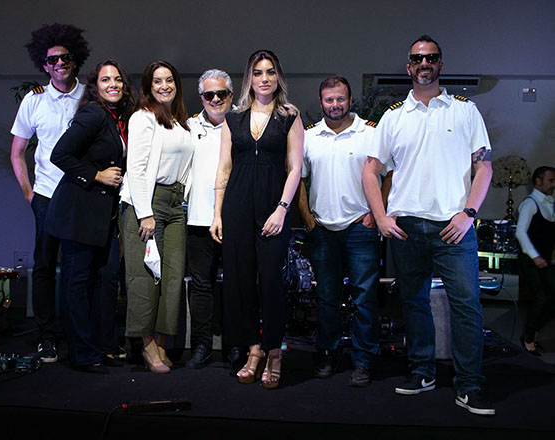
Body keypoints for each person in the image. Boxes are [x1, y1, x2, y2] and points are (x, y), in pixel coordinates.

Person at [363, 35, 494, 415]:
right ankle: (422, 372)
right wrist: (381, 216)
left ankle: (469, 384)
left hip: (454, 225)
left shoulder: (465, 111)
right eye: (418, 58)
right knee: (413, 302)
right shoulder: (393, 116)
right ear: (409, 66)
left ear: (440, 65)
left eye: (432, 58)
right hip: (406, 226)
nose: (425, 63)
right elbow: (371, 170)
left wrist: (469, 213)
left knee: (467, 306)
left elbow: (484, 166)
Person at [211, 50, 304, 389]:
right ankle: (253, 349)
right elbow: (224, 168)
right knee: (239, 282)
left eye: (270, 72)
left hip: (272, 208)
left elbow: (295, 168)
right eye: (258, 72)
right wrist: (217, 213)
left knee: (271, 283)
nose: (264, 78)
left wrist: (282, 208)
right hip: (236, 207)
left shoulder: (289, 116)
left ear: (278, 77)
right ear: (249, 78)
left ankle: (274, 351)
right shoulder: (233, 118)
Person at [43, 60, 137, 373]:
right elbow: (60, 154)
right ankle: (82, 353)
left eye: (118, 79)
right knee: (77, 282)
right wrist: (96, 175)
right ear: (95, 86)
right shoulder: (94, 114)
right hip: (78, 211)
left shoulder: (117, 117)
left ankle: (104, 345)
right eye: (105, 79)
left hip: (102, 215)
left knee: (107, 278)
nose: (113, 84)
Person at [298, 76, 392, 386]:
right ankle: (328, 353)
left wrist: (377, 214)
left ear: (350, 100)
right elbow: (297, 179)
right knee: (326, 297)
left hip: (360, 229)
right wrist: (308, 219)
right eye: (329, 100)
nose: (335, 105)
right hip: (323, 229)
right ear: (321, 102)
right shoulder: (309, 137)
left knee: (365, 297)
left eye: (340, 99)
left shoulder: (371, 133)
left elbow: (390, 175)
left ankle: (363, 360)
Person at [10, 23, 90, 362]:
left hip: (80, 195)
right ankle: (46, 334)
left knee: (76, 269)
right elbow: (17, 152)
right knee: (44, 265)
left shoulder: (90, 96)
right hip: (45, 195)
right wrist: (29, 193)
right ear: (43, 64)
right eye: (52, 59)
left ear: (75, 59)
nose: (60, 64)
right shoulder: (34, 100)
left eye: (65, 57)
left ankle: (75, 334)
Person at [120, 61, 193, 374]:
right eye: (157, 81)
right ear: (149, 87)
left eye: (169, 80)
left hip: (176, 205)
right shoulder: (143, 117)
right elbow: (135, 167)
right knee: (145, 277)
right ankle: (147, 345)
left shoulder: (181, 122)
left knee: (173, 277)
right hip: (147, 203)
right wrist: (145, 213)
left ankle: (163, 343)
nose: (165, 86)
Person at [185, 69, 234, 369]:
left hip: (235, 219)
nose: (215, 99)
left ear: (231, 94)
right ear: (201, 97)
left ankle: (234, 346)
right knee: (201, 285)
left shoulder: (243, 123)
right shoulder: (189, 126)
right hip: (198, 218)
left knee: (237, 285)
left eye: (221, 93)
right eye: (208, 95)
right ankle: (201, 346)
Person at [516, 166, 555, 355]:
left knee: (552, 297)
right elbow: (520, 232)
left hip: (545, 260)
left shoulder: (549, 203)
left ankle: (533, 332)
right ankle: (528, 338)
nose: (553, 185)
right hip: (530, 260)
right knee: (541, 297)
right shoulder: (529, 203)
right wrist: (535, 256)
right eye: (550, 180)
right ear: (538, 181)